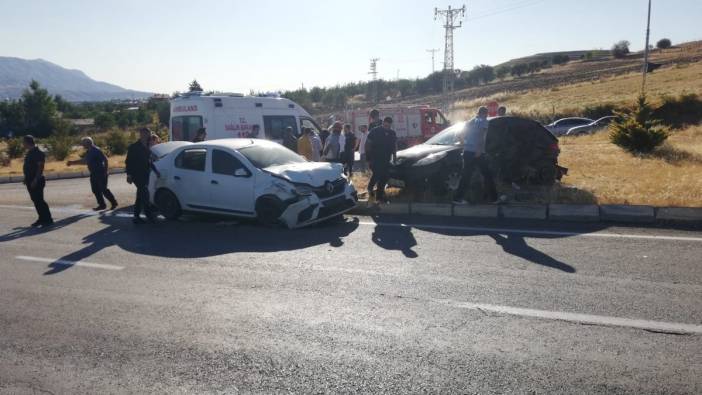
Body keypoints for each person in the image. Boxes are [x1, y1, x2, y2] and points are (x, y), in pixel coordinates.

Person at [453, 107, 499, 205]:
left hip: (467, 152)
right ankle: (494, 199)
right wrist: (479, 149)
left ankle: (457, 199)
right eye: (486, 114)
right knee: (487, 175)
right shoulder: (483, 121)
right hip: (477, 153)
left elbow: (459, 134)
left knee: (466, 175)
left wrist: (464, 144)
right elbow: (481, 136)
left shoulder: (470, 122)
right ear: (485, 114)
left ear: (477, 113)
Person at [67, 137, 118, 211]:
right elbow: (85, 161)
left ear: (89, 143)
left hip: (100, 173)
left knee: (103, 189)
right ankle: (102, 205)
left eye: (83, 143)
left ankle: (114, 203)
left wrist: (105, 171)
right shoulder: (89, 151)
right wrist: (72, 163)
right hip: (93, 173)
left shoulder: (96, 150)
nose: (82, 145)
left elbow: (105, 159)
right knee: (95, 190)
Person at [126, 128, 159, 224]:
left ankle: (136, 216)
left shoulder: (148, 146)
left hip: (146, 174)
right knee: (145, 194)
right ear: (140, 134)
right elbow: (128, 162)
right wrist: (129, 174)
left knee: (140, 195)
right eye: (144, 134)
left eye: (147, 134)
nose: (146, 136)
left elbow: (149, 161)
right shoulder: (134, 147)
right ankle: (149, 216)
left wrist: (155, 171)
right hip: (137, 174)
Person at [22, 135, 53, 227]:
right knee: (35, 200)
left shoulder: (38, 152)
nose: (22, 144)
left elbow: (40, 167)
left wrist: (36, 179)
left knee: (39, 199)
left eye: (23, 142)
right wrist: (26, 177)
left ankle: (48, 219)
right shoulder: (30, 152)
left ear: (28, 142)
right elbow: (29, 166)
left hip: (37, 180)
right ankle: (42, 218)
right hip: (30, 179)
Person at [365, 117, 397, 203]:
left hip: (386, 159)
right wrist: (368, 158)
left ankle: (379, 196)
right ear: (383, 123)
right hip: (375, 159)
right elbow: (367, 144)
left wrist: (394, 157)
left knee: (385, 177)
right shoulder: (375, 131)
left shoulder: (392, 133)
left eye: (389, 126)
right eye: (385, 125)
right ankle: (370, 188)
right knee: (377, 174)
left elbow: (394, 146)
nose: (387, 127)